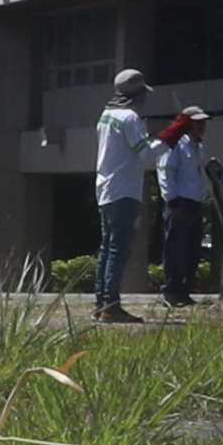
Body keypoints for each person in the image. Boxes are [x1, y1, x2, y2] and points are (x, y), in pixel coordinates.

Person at [86, 68, 152, 323]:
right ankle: (111, 306)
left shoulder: (106, 115)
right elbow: (145, 152)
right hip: (124, 189)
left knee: (107, 248)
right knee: (119, 249)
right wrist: (171, 136)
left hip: (105, 188)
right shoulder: (130, 118)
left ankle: (101, 301)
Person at [152, 106, 217, 310]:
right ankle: (171, 291)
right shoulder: (176, 144)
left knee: (192, 250)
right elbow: (165, 173)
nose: (202, 126)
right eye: (197, 122)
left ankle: (184, 291)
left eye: (203, 122)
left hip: (196, 203)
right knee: (175, 250)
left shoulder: (198, 147)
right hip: (180, 202)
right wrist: (172, 202)